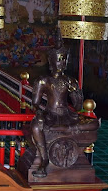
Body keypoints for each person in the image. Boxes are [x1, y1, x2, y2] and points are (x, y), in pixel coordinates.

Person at [29, 40, 84, 178]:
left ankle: (76, 158)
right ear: (51, 61)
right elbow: (35, 103)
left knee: (93, 123)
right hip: (50, 114)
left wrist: (76, 93)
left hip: (66, 114)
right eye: (59, 60)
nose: (62, 63)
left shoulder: (70, 81)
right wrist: (39, 112)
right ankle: (44, 159)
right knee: (36, 126)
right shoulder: (44, 81)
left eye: (64, 60)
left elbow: (78, 107)